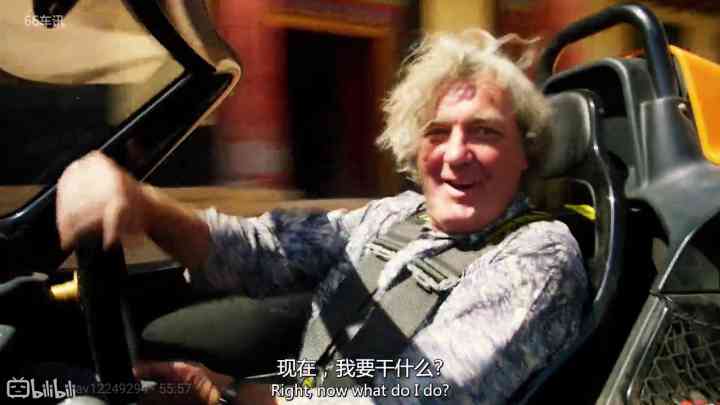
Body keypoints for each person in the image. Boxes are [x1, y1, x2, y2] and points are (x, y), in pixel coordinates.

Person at [56, 29, 588, 405]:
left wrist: (234, 396)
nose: (454, 154)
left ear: (526, 152)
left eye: (484, 132)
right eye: (437, 133)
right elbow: (261, 250)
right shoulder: (394, 216)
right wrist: (141, 202)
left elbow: (418, 393)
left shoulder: (538, 253)